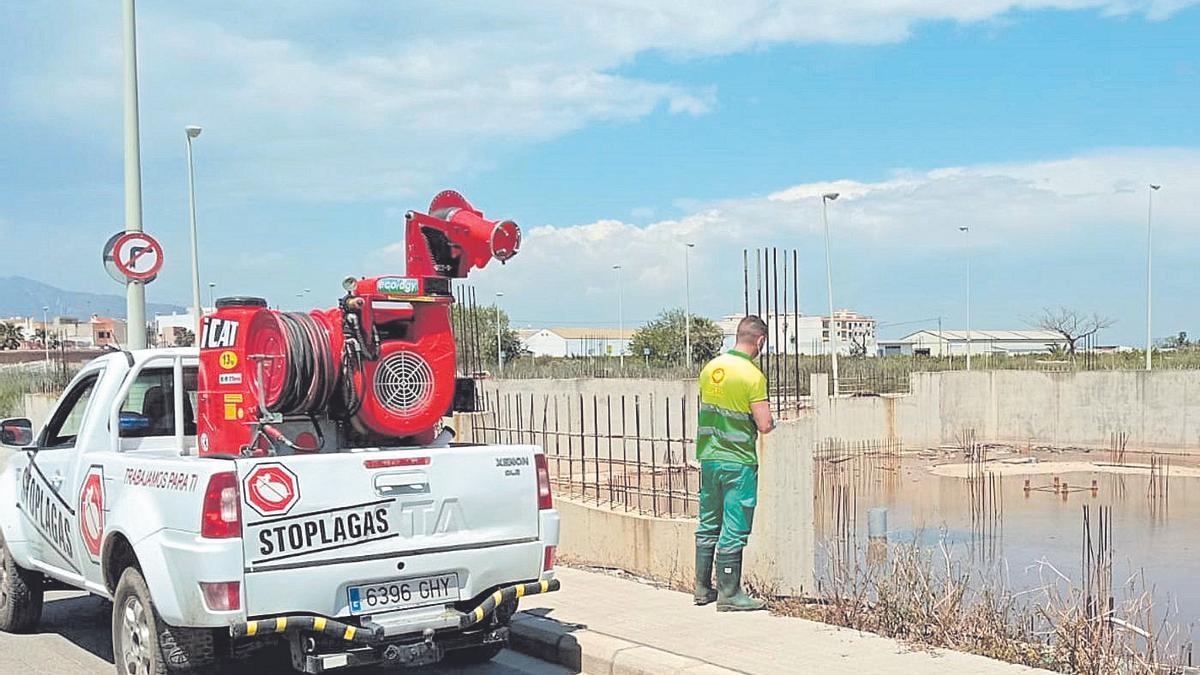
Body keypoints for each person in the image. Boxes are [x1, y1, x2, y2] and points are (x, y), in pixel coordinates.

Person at [693, 315, 775, 611]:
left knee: (709, 522)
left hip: (709, 458)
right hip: (737, 460)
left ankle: (702, 588)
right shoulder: (752, 376)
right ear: (760, 341)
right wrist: (770, 422)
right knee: (735, 525)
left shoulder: (711, 367)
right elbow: (764, 424)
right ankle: (729, 594)